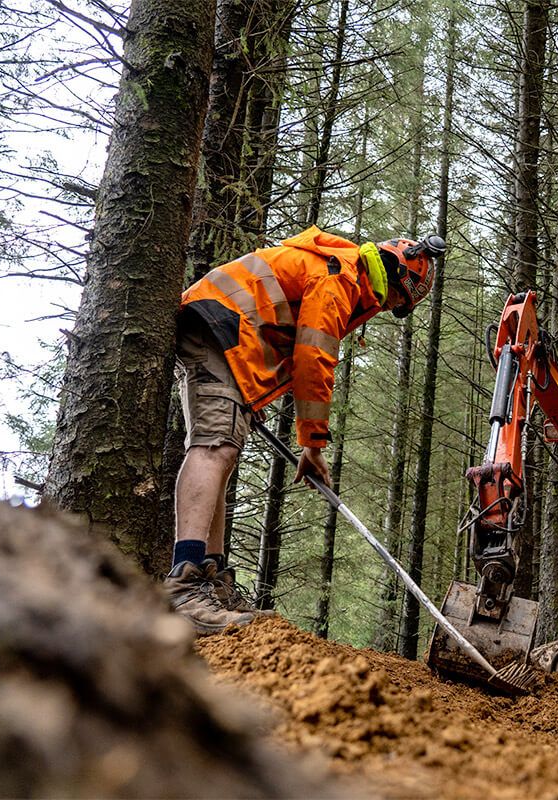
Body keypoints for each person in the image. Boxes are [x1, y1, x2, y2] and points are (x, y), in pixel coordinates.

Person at [163, 225, 442, 633]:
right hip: (219, 329)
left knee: (223, 451)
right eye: (399, 300)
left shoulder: (341, 270)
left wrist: (250, 397)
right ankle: (183, 585)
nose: (391, 307)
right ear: (397, 279)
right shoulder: (340, 277)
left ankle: (211, 578)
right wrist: (313, 445)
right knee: (214, 448)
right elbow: (313, 360)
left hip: (230, 340)